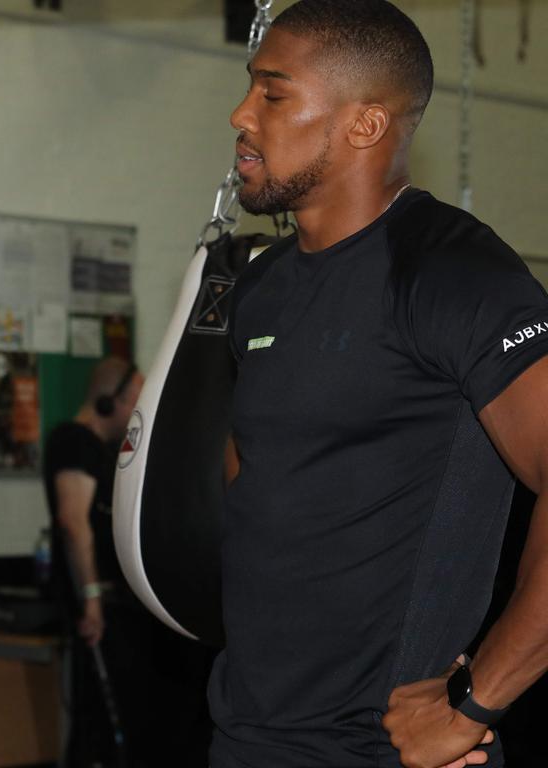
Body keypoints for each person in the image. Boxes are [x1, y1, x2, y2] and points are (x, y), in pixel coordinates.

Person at [213, 2, 548, 767]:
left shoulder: (452, 272)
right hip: (249, 735)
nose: (240, 114)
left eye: (273, 93)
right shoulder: (262, 287)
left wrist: (476, 703)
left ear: (364, 126)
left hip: (388, 748)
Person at [44, 357, 215, 767]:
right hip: (102, 608)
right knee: (104, 730)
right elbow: (73, 521)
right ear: (109, 402)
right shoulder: (73, 440)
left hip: (123, 608)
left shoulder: (107, 452)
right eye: (135, 400)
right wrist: (91, 598)